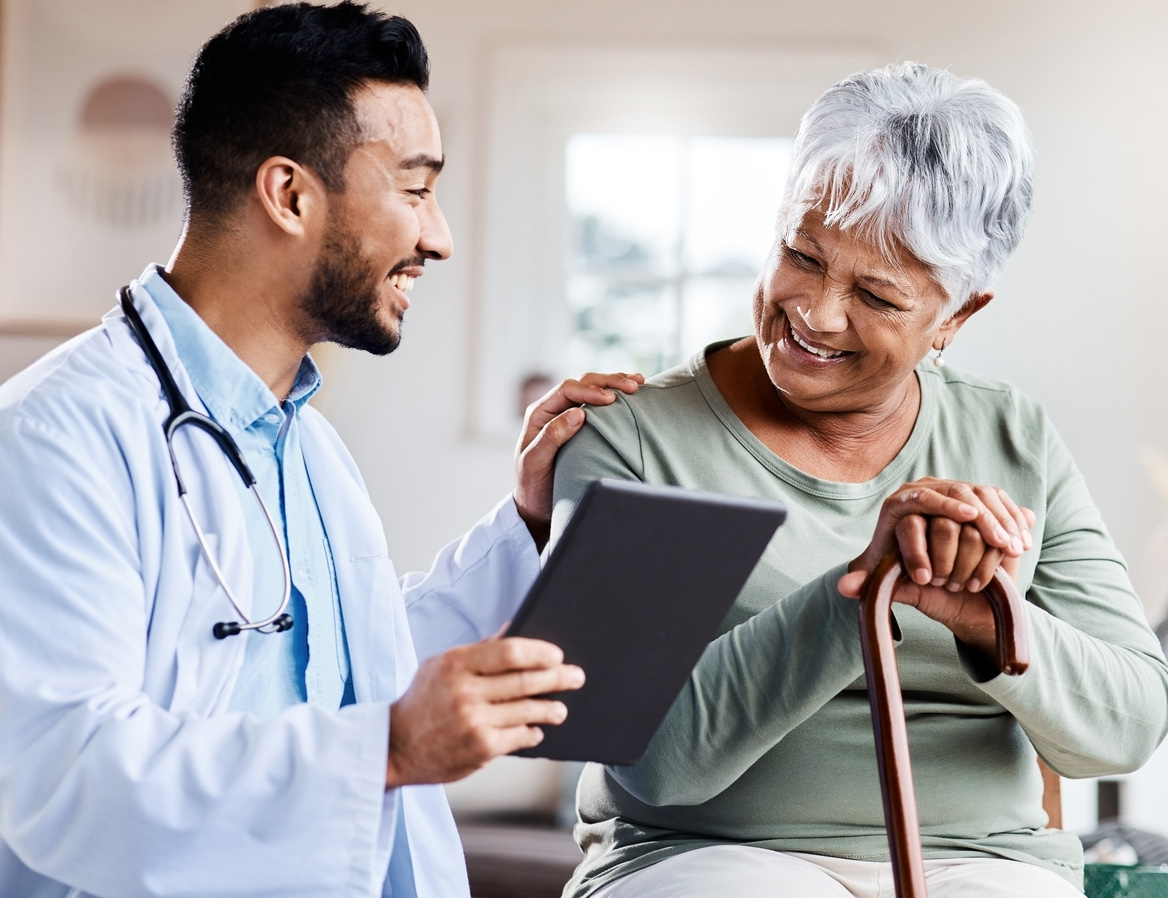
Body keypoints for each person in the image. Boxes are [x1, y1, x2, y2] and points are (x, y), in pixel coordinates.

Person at [0, 4, 642, 897]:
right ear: (290, 194)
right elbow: (62, 776)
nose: (439, 236)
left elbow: (358, 668)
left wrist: (529, 522)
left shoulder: (305, 440)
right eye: (415, 190)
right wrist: (387, 747)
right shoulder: (53, 438)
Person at [551, 62, 1168, 898]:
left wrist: (994, 620)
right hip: (704, 859)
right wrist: (859, 593)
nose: (817, 312)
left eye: (877, 295)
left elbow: (1128, 726)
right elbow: (651, 761)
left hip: (982, 863)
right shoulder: (637, 438)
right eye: (801, 254)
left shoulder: (1009, 434)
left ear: (957, 315)